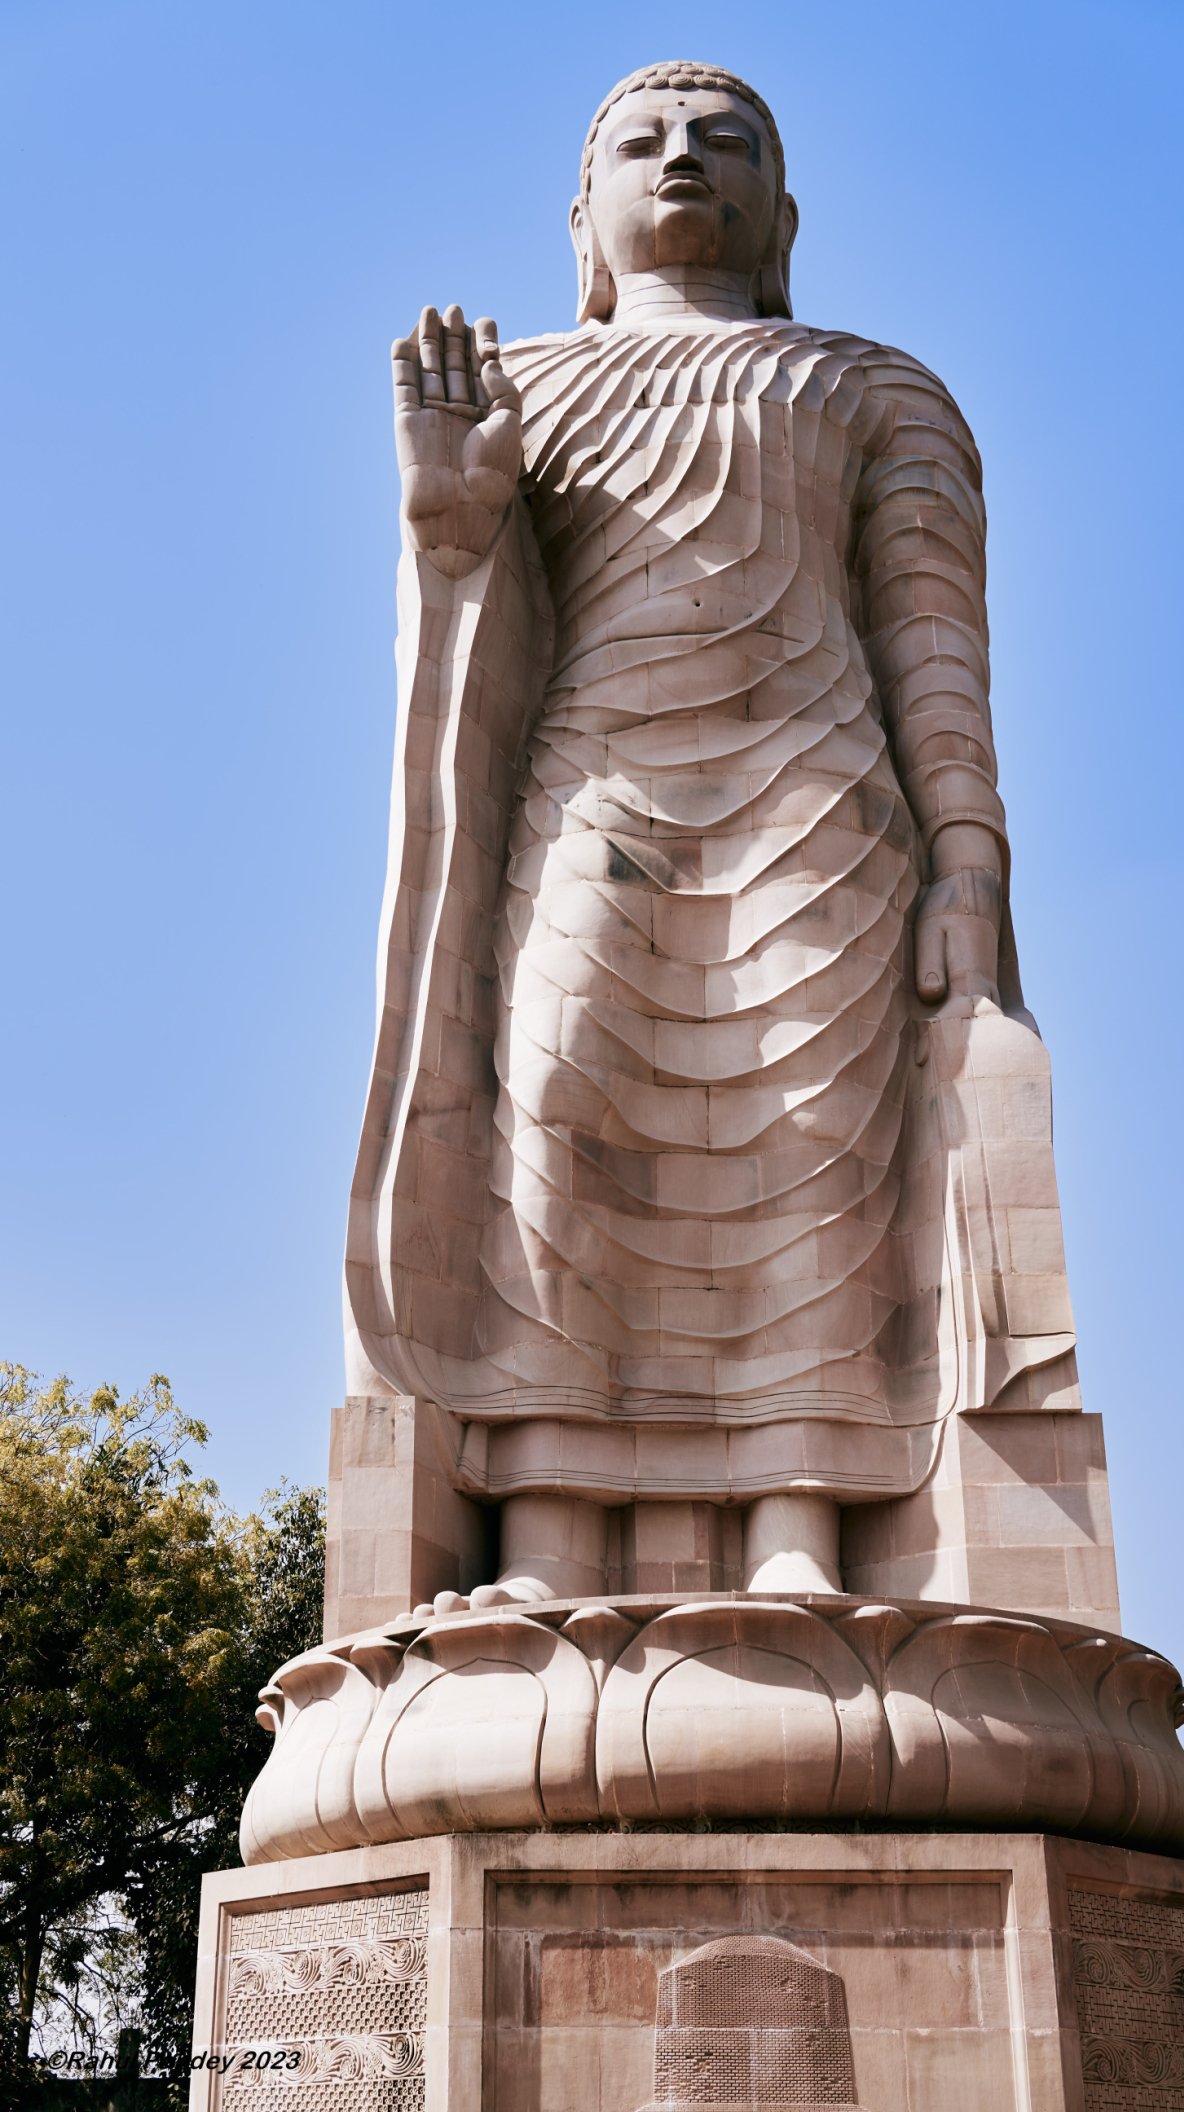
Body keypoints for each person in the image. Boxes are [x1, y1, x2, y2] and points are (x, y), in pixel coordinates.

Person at [346, 62, 1052, 1607]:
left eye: (723, 143)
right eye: (641, 144)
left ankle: (805, 1532)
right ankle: (546, 1531)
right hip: (593, 800)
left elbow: (934, 651)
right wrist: (451, 532)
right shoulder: (523, 390)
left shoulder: (870, 389)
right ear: (582, 222)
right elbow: (480, 654)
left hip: (817, 810)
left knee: (815, 1153)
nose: (681, 160)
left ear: (780, 218)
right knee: (555, 1122)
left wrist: (969, 862)